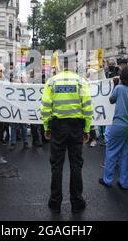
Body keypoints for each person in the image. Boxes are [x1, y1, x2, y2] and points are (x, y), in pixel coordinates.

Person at [41, 55, 92, 214]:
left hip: (57, 127)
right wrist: (87, 129)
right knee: (76, 164)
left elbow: (45, 107)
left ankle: (55, 202)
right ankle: (77, 201)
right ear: (74, 65)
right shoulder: (81, 81)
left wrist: (46, 127)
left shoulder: (52, 82)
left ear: (60, 65)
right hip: (76, 127)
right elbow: (87, 107)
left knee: (57, 165)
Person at [99, 66, 128, 190]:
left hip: (118, 124)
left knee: (112, 151)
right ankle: (124, 181)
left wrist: (116, 85)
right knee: (126, 154)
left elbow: (111, 100)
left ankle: (108, 180)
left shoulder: (119, 88)